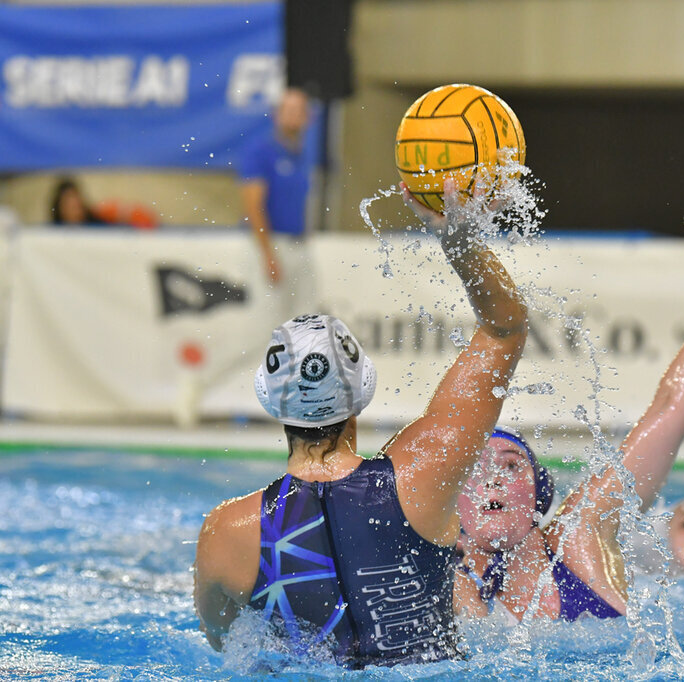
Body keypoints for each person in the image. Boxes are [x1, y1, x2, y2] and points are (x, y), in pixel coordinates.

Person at [193, 180, 528, 667]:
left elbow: (230, 649)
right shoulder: (425, 468)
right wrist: (456, 238)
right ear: (360, 396)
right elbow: (506, 328)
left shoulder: (226, 532)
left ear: (272, 403)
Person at [455, 190, 684, 620]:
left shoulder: (581, 537)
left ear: (538, 497)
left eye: (511, 465)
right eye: (475, 466)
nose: (492, 477)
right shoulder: (433, 583)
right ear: (453, 500)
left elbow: (671, 408)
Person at [239, 87, 316, 314]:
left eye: (298, 111)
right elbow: (253, 205)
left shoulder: (301, 155)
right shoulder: (261, 152)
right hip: (272, 245)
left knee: (304, 320)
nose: (293, 116)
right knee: (269, 322)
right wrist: (267, 254)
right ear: (276, 115)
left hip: (299, 245)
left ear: (308, 118)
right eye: (288, 110)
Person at [50, 177, 157, 228]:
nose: (74, 209)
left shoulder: (98, 225)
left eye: (76, 205)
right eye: (68, 205)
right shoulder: (52, 233)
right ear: (60, 208)